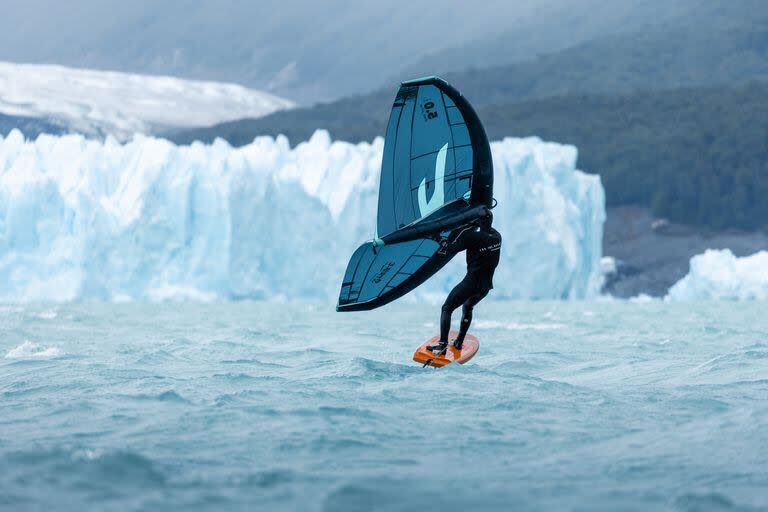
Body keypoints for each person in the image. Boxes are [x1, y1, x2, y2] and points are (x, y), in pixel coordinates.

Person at [427, 208, 501, 355]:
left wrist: (436, 237)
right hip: (485, 287)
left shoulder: (473, 237)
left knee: (447, 308)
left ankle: (442, 345)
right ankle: (459, 341)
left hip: (471, 283)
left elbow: (448, 248)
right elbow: (482, 234)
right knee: (468, 307)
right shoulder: (497, 236)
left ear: (477, 221)